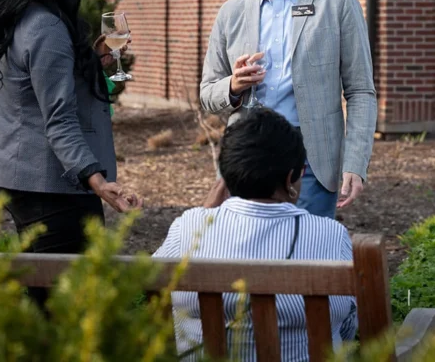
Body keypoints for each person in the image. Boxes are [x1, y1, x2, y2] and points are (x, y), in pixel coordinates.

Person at [199, 0, 377, 218]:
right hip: (248, 159)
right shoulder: (232, 12)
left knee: (306, 259)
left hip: (312, 162)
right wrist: (234, 86)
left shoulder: (337, 3)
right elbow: (208, 92)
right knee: (247, 261)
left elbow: (361, 91)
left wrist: (355, 162)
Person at [0, 0, 141, 257]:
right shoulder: (47, 29)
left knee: (45, 290)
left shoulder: (20, 16)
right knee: (64, 302)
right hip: (51, 186)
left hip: (19, 174)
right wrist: (98, 182)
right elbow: (59, 120)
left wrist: (91, 63)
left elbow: (31, 92)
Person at [153, 107, 358, 360]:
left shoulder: (187, 228)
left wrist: (202, 213)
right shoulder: (331, 236)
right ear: (290, 179)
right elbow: (347, 328)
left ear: (226, 174)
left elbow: (155, 296)